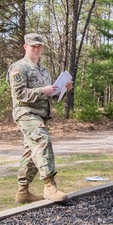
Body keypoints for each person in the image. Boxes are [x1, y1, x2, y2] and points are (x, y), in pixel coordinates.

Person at [9, 33, 70, 204]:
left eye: (39, 46)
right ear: (25, 47)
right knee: (42, 140)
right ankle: (49, 186)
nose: (36, 49)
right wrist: (42, 90)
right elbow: (19, 94)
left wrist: (63, 89)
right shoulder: (19, 68)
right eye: (33, 46)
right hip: (26, 113)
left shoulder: (44, 71)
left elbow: (49, 94)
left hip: (40, 115)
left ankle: (23, 192)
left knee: (31, 152)